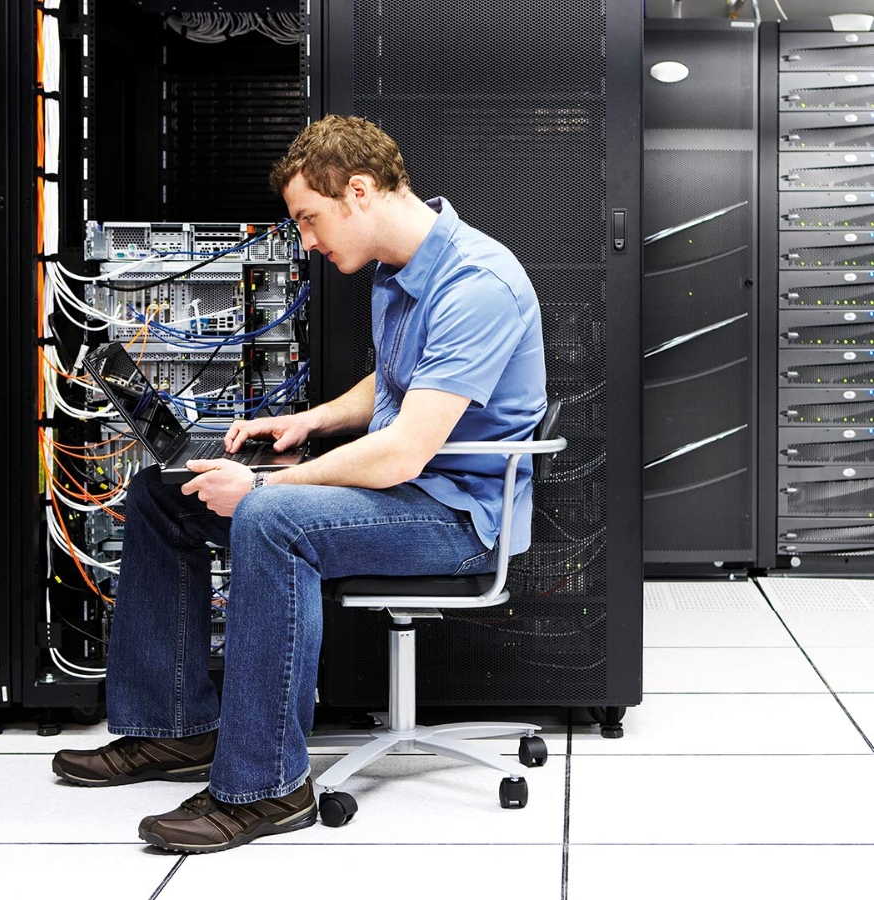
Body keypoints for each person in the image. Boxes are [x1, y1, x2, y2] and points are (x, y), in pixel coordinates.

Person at [52, 114, 547, 853]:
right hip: (408, 493)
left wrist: (263, 486)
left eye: (310, 220)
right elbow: (401, 379)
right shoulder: (400, 269)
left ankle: (267, 786)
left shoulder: (478, 283)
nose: (307, 241)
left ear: (359, 191)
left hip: (459, 517)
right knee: (166, 493)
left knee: (270, 520)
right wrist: (305, 424)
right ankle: (175, 726)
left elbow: (406, 451)